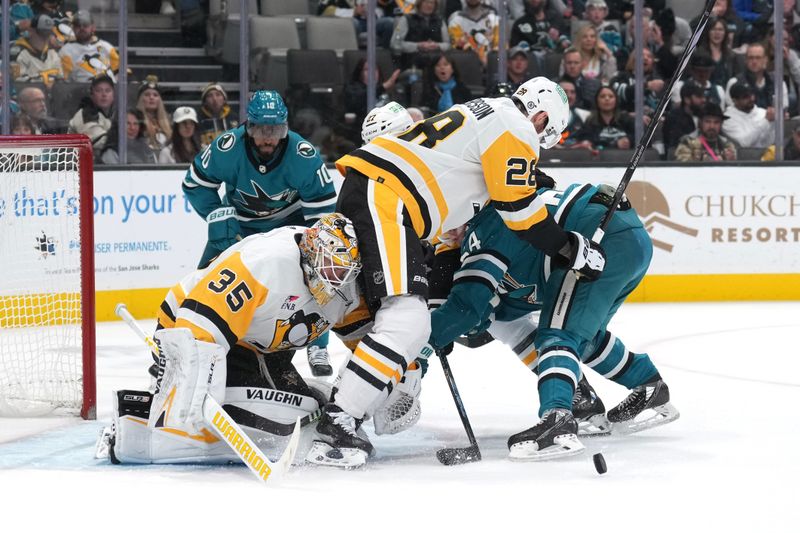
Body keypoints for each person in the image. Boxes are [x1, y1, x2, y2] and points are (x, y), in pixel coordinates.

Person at [318, 77, 605, 468]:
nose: (539, 142)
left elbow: (467, 177)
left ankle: (348, 404)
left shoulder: (489, 109)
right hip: (386, 197)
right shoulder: (517, 127)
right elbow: (519, 213)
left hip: (381, 193)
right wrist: (572, 248)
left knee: (399, 319)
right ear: (540, 118)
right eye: (546, 132)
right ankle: (339, 419)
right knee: (406, 320)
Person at [424, 180, 680, 459]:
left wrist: (427, 339)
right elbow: (494, 305)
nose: (448, 234)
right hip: (626, 235)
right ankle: (647, 384)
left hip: (598, 236)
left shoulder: (484, 228)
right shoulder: (498, 203)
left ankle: (557, 418)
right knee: (584, 334)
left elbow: (468, 306)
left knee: (558, 336)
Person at [98, 214, 364, 465]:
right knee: (204, 415)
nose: (337, 281)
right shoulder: (266, 263)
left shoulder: (343, 286)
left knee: (306, 408)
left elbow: (363, 340)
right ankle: (131, 428)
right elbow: (199, 319)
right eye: (333, 269)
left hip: (255, 344)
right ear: (312, 251)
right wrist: (196, 379)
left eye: (344, 272)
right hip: (192, 330)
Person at [183, 90, 338, 377]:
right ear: (249, 127)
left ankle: (318, 344)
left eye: (276, 129)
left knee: (318, 273)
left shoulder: (303, 155)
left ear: (286, 128)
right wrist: (217, 215)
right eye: (262, 129)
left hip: (289, 225)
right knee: (206, 277)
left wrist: (313, 246)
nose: (269, 137)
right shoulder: (227, 148)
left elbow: (324, 212)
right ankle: (188, 337)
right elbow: (194, 184)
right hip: (239, 225)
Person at [58, 10, 119, 83]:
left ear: (93, 27)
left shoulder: (106, 47)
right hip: (80, 92)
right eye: (78, 25)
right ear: (73, 28)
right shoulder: (65, 51)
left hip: (107, 90)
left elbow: (122, 72)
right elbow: (65, 82)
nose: (81, 28)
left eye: (85, 25)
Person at [390, 0, 450, 71]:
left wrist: (437, 45)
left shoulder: (440, 21)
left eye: (432, 3)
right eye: (426, 2)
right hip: (410, 65)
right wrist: (418, 46)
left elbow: (448, 44)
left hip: (435, 66)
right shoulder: (406, 19)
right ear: (419, 3)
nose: (429, 5)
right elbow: (395, 44)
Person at [572, 85, 634, 151]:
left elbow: (638, 137)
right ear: (597, 101)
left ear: (616, 100)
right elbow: (588, 143)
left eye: (611, 96)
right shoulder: (590, 122)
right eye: (602, 96)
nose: (607, 99)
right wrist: (615, 145)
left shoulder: (626, 119)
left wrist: (629, 140)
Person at [68, 74, 115, 155]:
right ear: (92, 95)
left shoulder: (112, 115)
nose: (104, 94)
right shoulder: (86, 113)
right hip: (78, 165)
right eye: (99, 90)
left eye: (108, 90)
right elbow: (98, 141)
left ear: (113, 95)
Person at [13, 13, 63, 87]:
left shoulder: (53, 54)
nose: (45, 37)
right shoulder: (18, 53)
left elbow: (61, 80)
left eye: (48, 33)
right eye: (42, 32)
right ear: (31, 31)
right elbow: (18, 83)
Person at [722, 81, 774, 150]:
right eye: (745, 97)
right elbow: (745, 143)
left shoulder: (763, 113)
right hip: (742, 159)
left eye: (752, 95)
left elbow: (771, 142)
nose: (751, 99)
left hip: (767, 157)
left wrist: (774, 122)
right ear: (735, 100)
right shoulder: (727, 118)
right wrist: (766, 121)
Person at [448, 0, 500, 66]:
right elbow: (457, 47)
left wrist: (490, 60)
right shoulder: (455, 21)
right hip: (467, 65)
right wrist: (480, 57)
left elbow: (500, 45)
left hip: (492, 64)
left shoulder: (494, 19)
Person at [662, 80, 707, 153]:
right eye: (699, 96)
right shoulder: (674, 118)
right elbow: (676, 146)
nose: (704, 100)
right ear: (687, 99)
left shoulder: (704, 115)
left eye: (704, 96)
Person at [136, 75, 172, 153]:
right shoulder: (136, 121)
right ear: (141, 99)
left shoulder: (169, 121)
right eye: (147, 95)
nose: (151, 97)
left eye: (155, 95)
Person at [196, 82, 238, 148]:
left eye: (218, 95)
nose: (215, 99)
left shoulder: (234, 118)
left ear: (224, 99)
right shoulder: (198, 121)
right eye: (210, 96)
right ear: (205, 102)